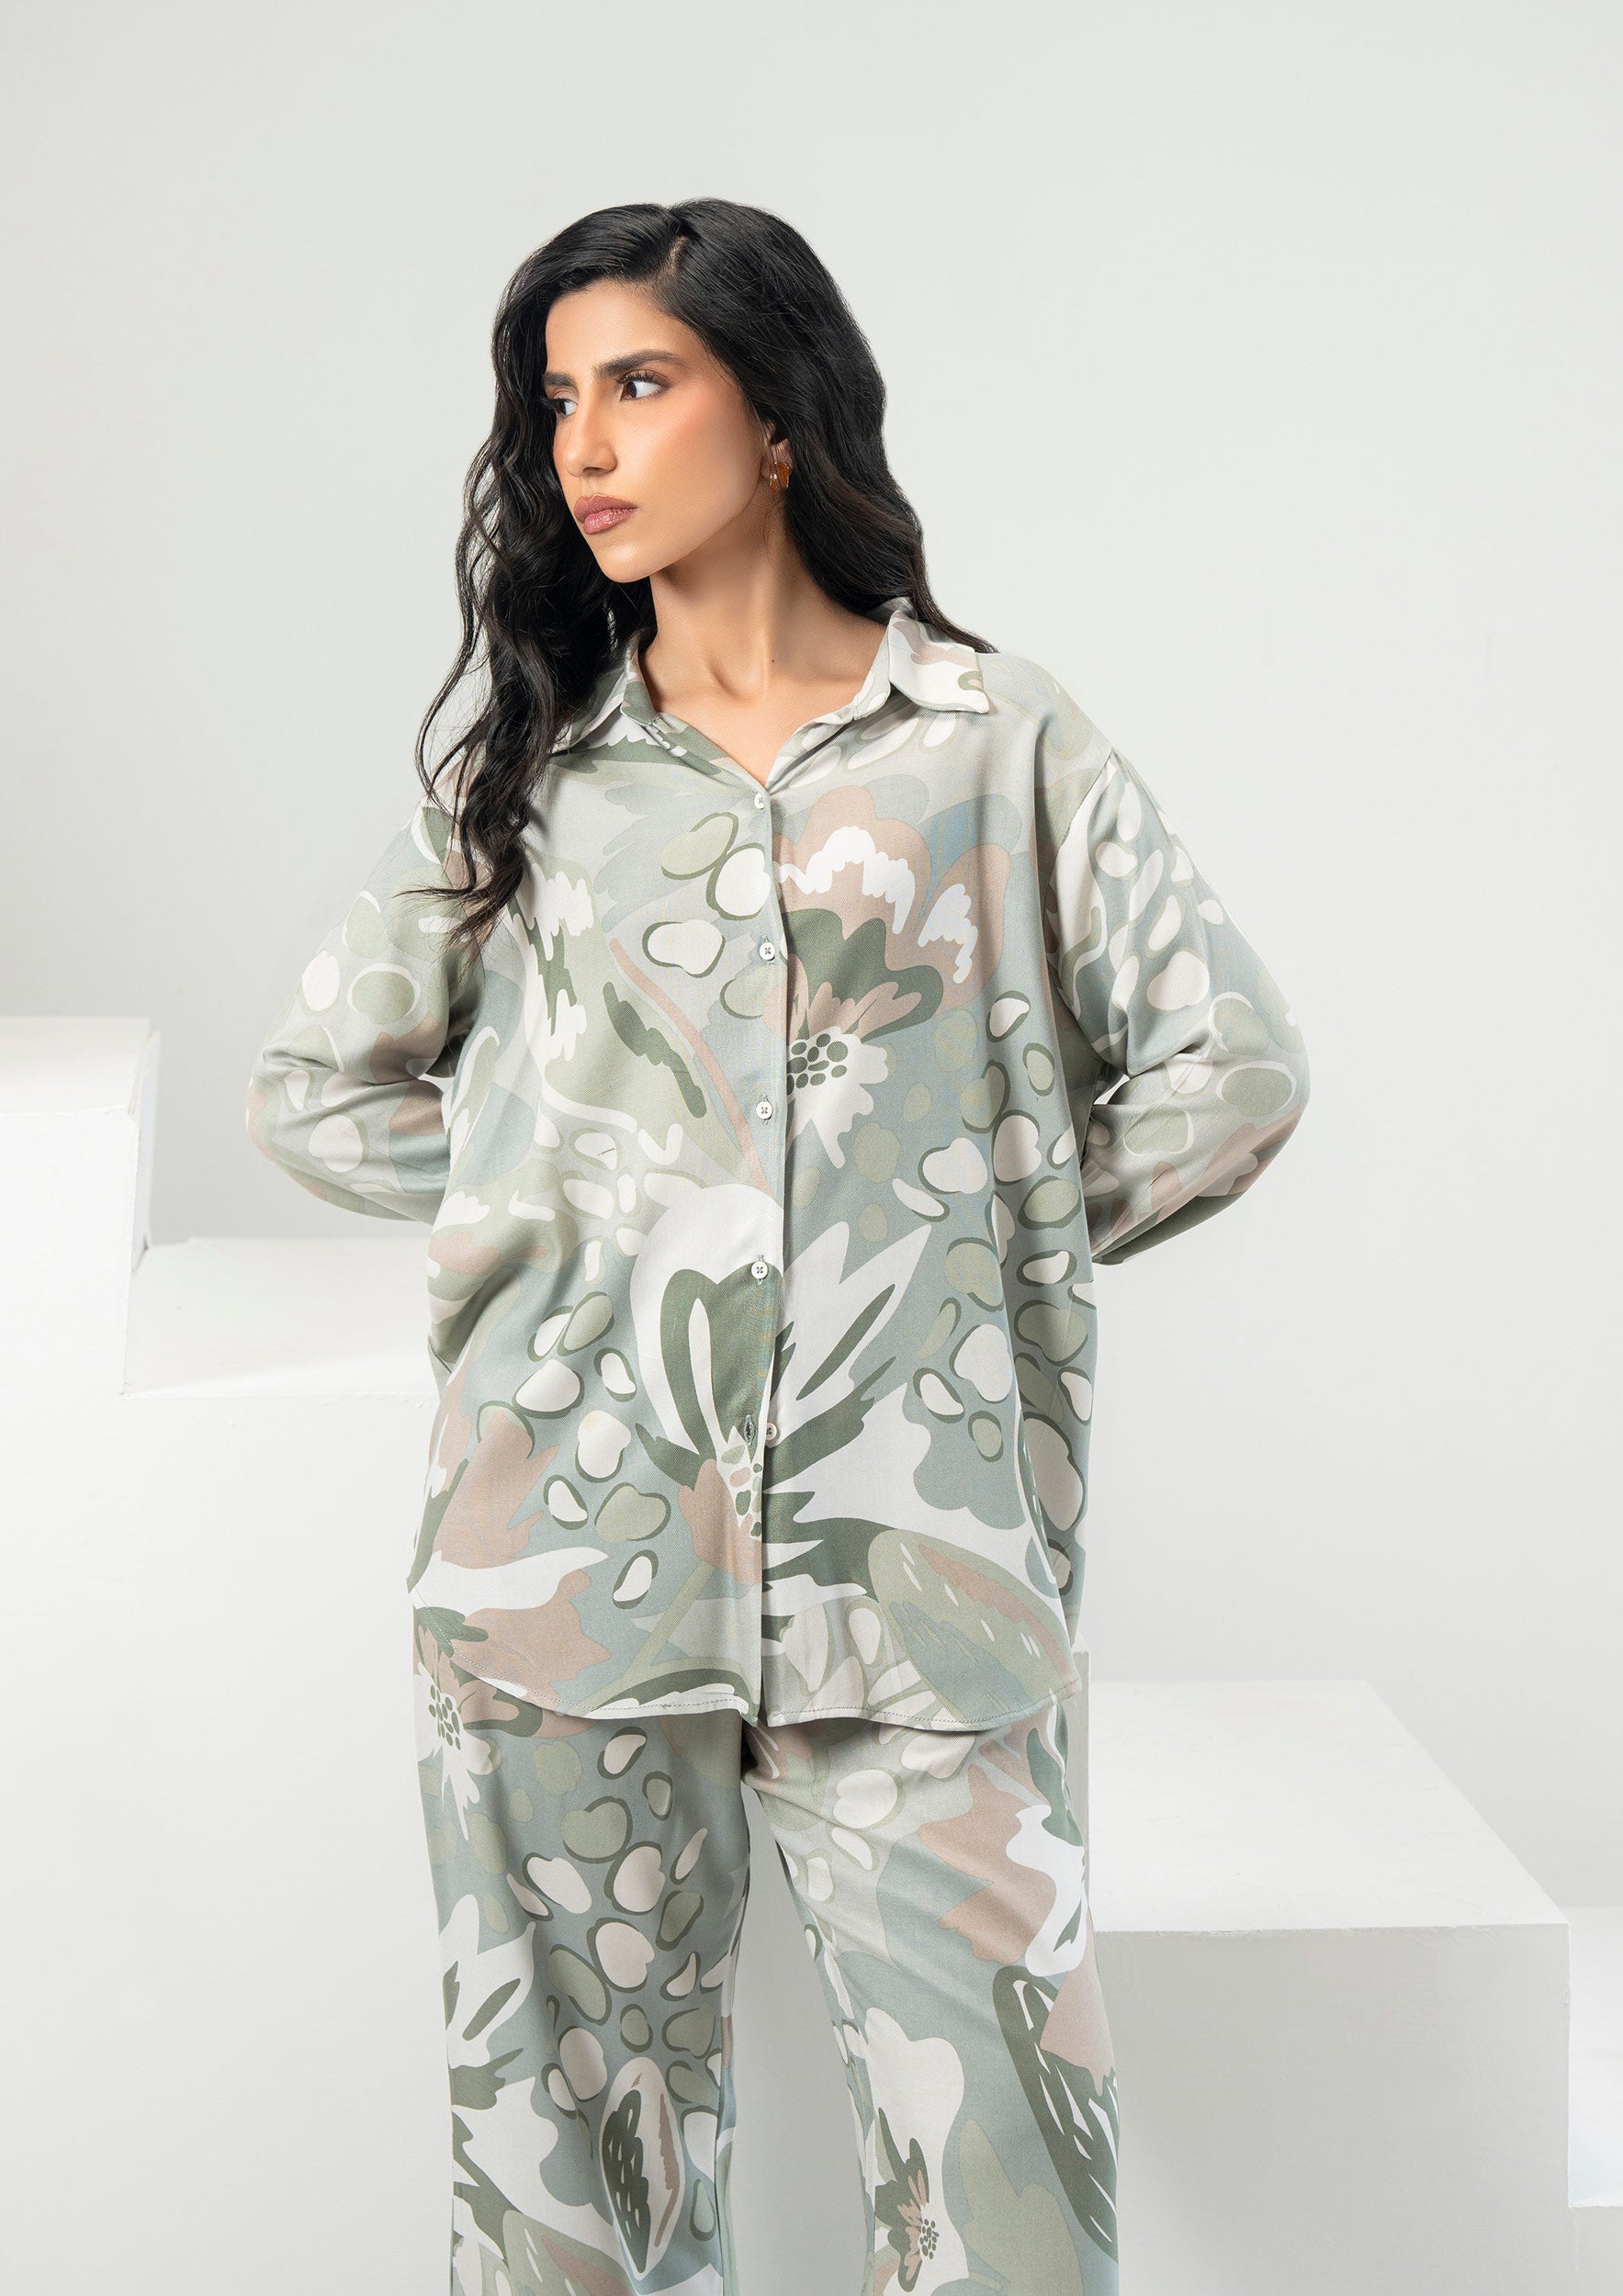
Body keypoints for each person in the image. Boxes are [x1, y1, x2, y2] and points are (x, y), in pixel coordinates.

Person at [246, 197, 1311, 2296]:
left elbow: (1230, 1065)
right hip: (563, 1568)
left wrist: (970, 1239)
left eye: (639, 383)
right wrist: (574, 1213)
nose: (583, 445)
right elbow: (317, 1083)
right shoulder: (539, 775)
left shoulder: (991, 739)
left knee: (1007, 2196)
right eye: (557, 400)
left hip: (920, 1574)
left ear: (779, 413)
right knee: (569, 2214)